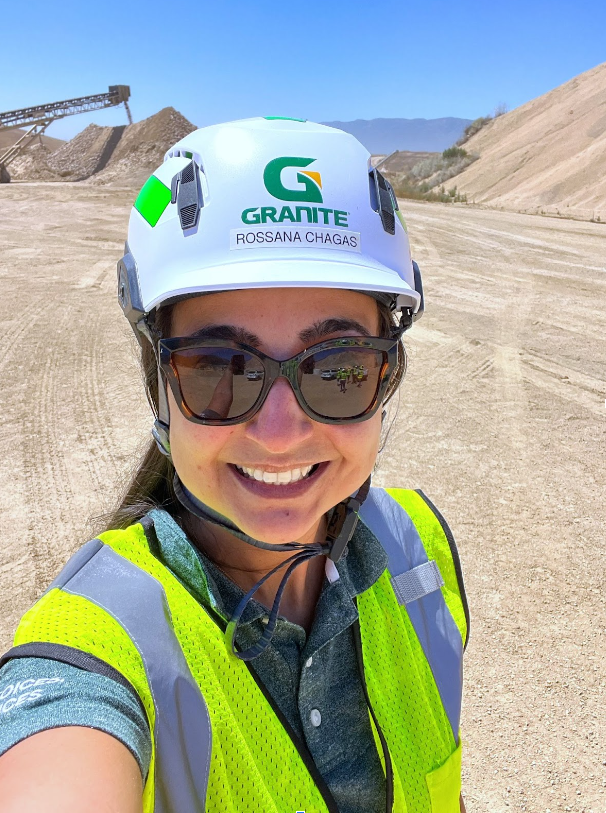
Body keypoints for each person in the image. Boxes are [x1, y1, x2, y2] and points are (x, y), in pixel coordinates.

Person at [0, 117, 469, 813]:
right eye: (219, 366)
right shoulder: (94, 653)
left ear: (387, 373)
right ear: (159, 386)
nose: (279, 434)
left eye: (337, 367)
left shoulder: (418, 549)